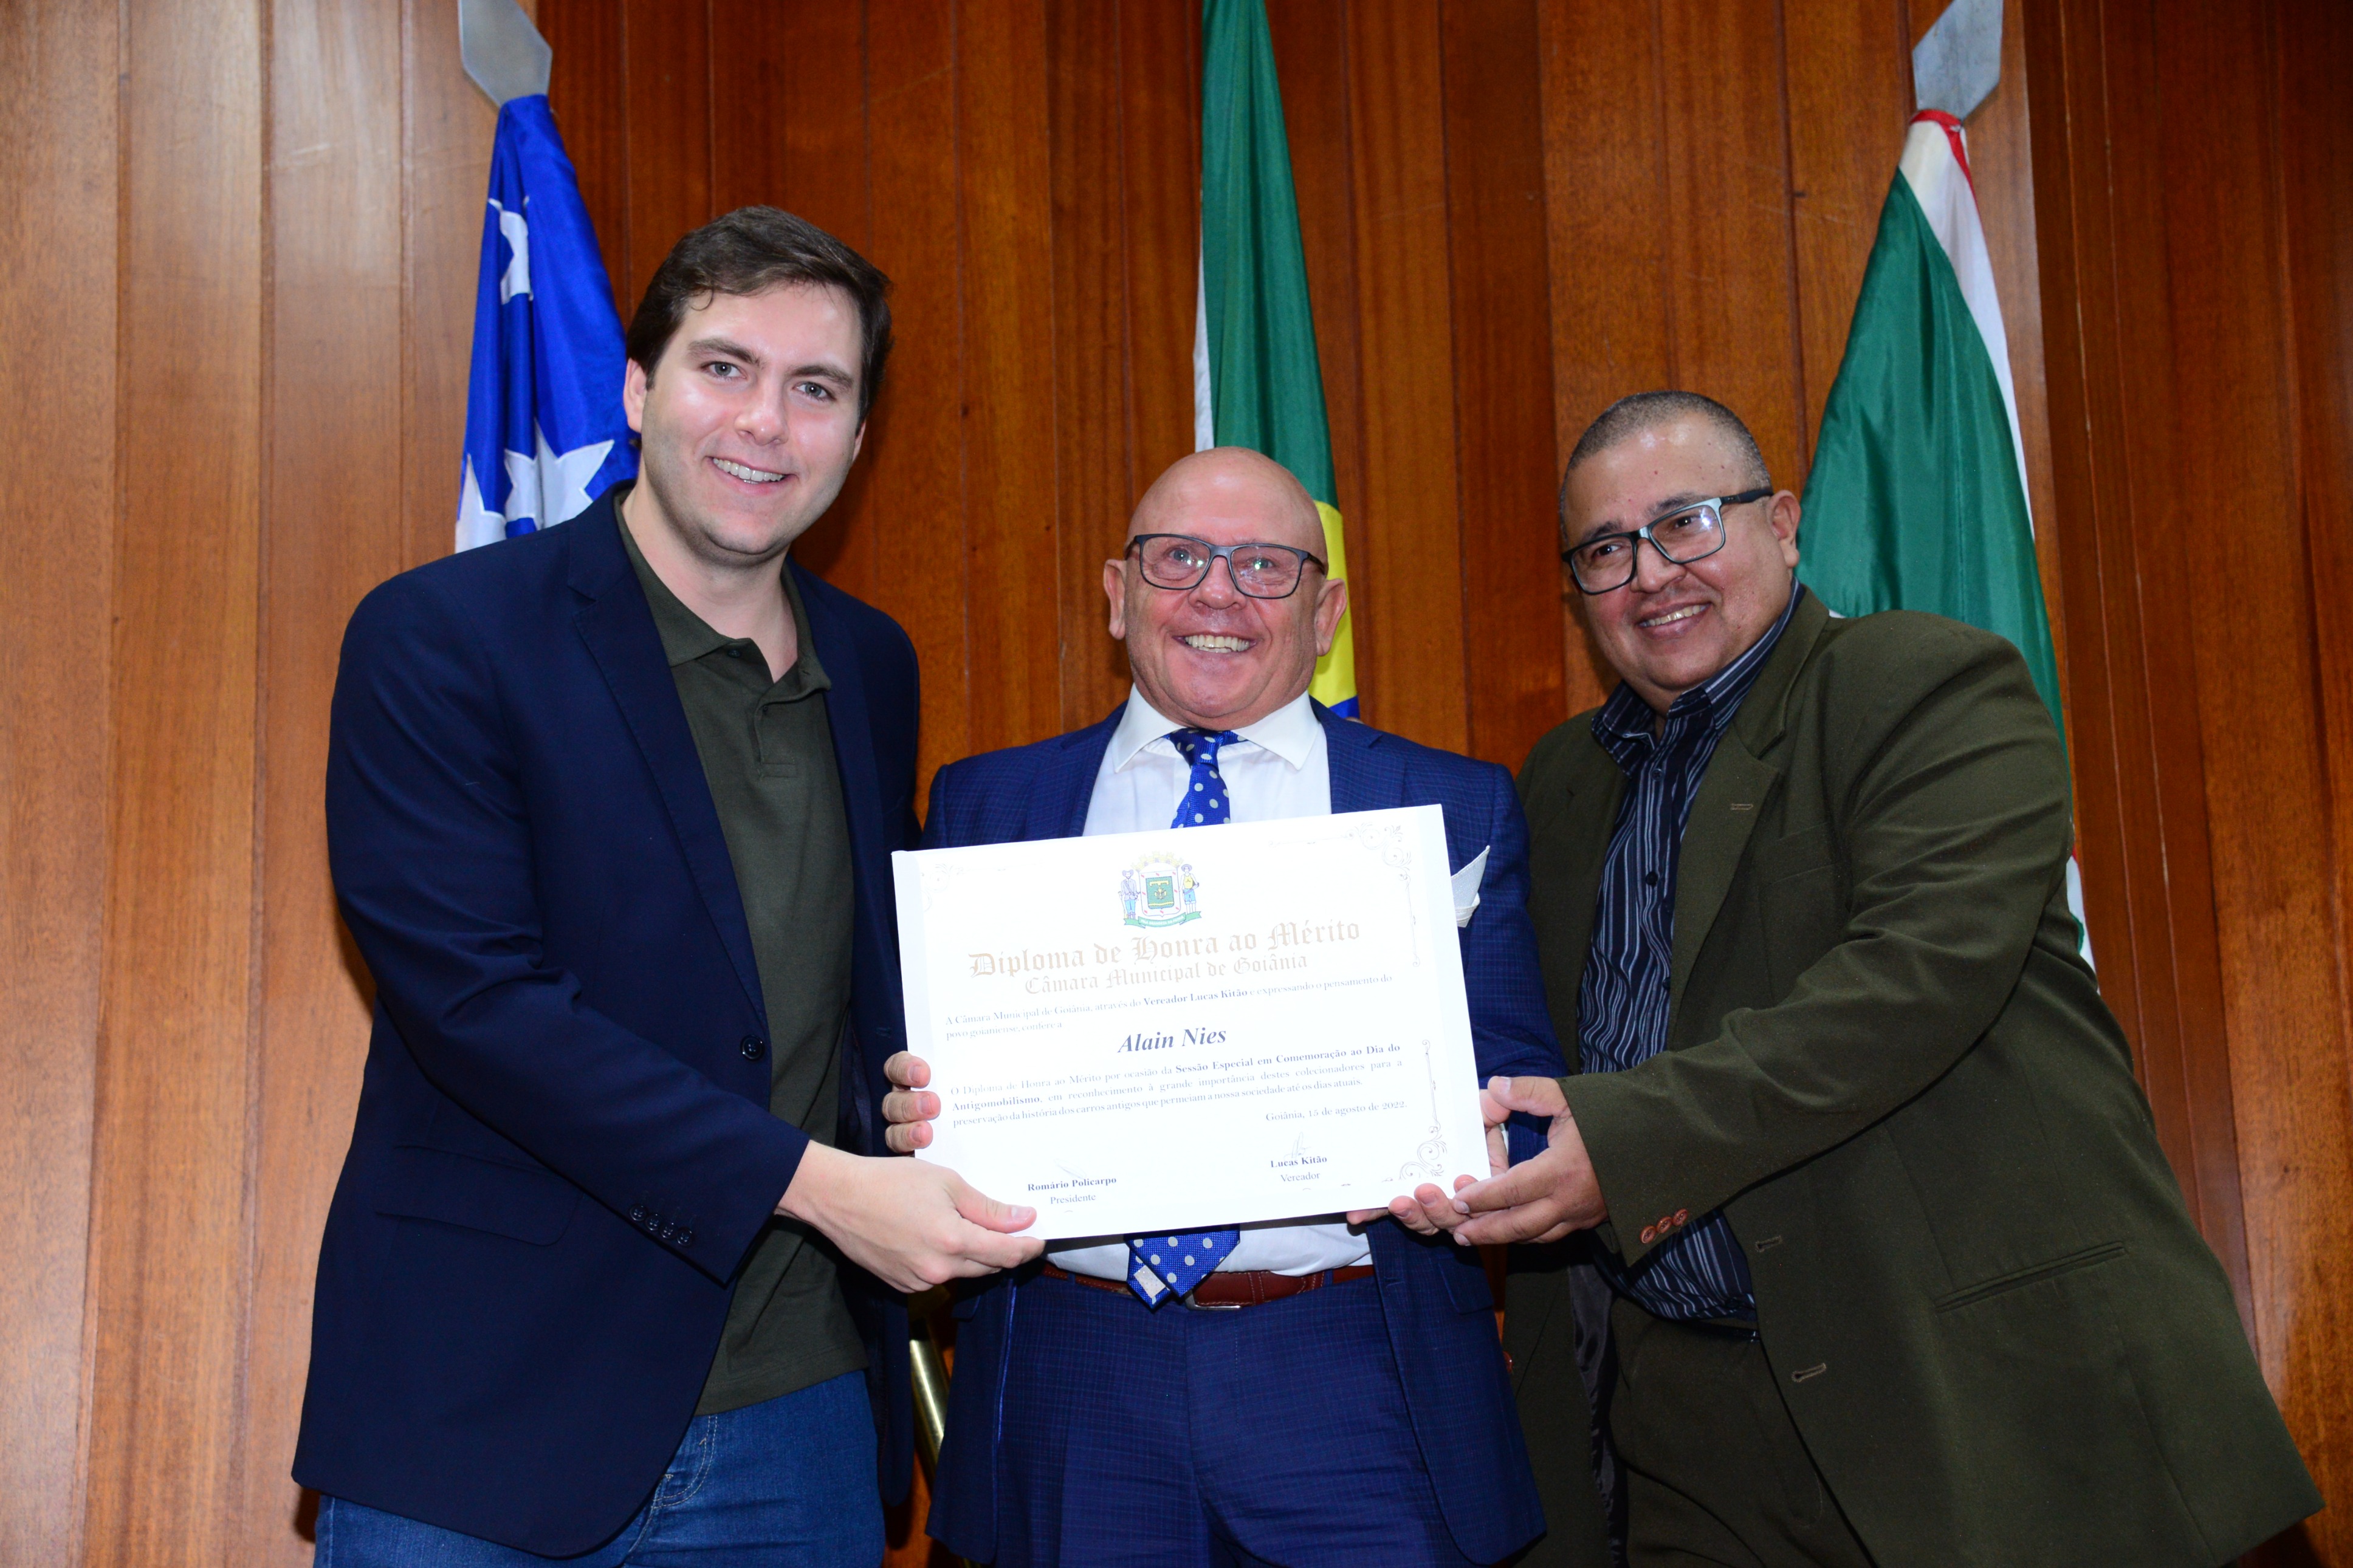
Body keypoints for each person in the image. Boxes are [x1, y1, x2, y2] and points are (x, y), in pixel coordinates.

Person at [1425, 391, 2320, 1566]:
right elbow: (1518, 1043)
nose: (1650, 575)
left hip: (1965, 1396)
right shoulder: (1558, 782)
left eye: (1686, 523)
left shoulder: (1922, 683)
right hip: (1686, 1432)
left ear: (1783, 523)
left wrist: (1627, 1144)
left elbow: (1913, 981)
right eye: (1605, 550)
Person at [295, 208, 1041, 1567]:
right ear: (638, 390)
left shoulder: (874, 664)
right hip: (485, 1403)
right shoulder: (441, 634)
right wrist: (819, 1185)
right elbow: (478, 1005)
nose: (765, 421)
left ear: (856, 438)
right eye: (724, 367)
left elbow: (855, 997)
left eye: (816, 388)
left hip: (798, 1414)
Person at [881, 448, 1595, 1567]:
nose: (1218, 594)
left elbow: (1522, 1082)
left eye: (1265, 565)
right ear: (1118, 595)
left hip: (1357, 1367)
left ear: (1327, 613)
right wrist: (920, 1117)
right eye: (1179, 559)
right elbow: (927, 1078)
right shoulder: (986, 801)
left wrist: (1491, 1143)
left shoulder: (1449, 803)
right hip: (1078, 1371)